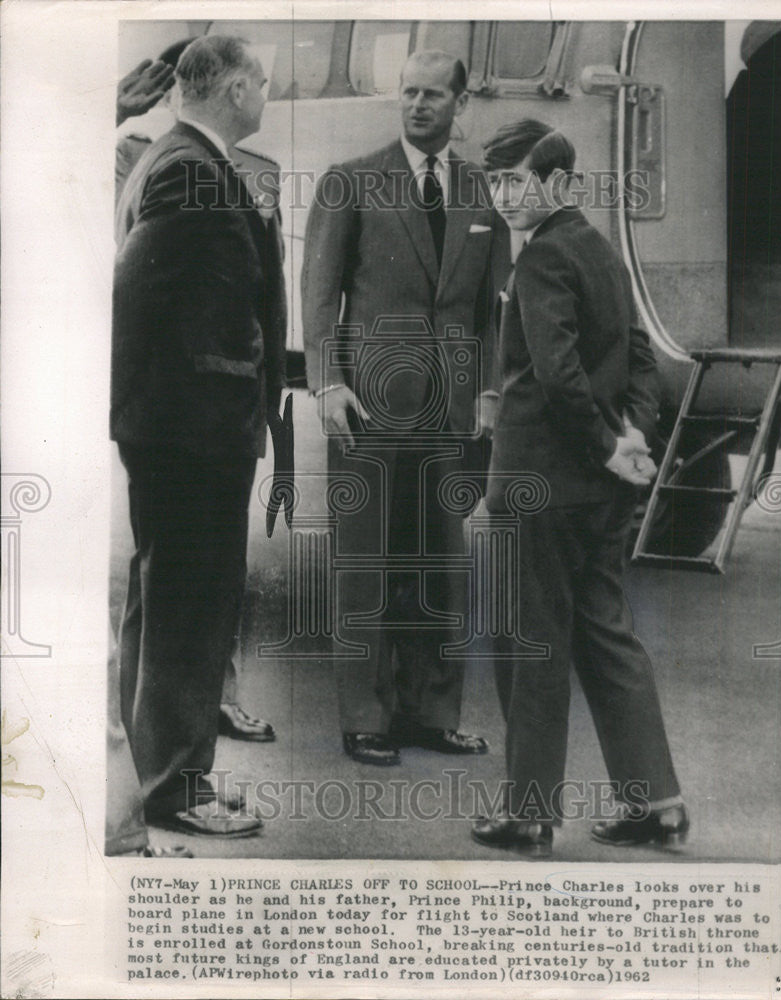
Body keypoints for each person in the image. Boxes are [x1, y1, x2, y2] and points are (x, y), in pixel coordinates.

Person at [471, 119, 688, 858]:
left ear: (561, 184)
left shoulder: (538, 262)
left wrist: (604, 446)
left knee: (528, 643)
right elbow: (640, 363)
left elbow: (558, 378)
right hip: (599, 492)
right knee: (606, 637)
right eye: (494, 181)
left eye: (517, 180)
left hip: (536, 484)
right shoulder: (601, 254)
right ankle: (656, 804)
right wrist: (631, 443)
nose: (503, 196)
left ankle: (528, 817)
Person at [302, 50, 507, 765]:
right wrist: (327, 383)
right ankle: (365, 717)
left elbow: (489, 310)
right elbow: (320, 297)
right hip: (368, 404)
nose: (417, 104)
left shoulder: (482, 191)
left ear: (460, 103)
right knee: (364, 564)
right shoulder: (350, 181)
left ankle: (429, 710)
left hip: (450, 409)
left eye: (432, 94)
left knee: (439, 564)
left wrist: (486, 390)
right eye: (408, 92)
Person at [112, 35, 286, 836]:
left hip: (180, 425)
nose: (264, 93)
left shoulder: (179, 159)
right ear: (229, 89)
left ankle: (161, 776)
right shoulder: (189, 169)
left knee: (163, 606)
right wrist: (147, 414)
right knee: (188, 608)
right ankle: (176, 793)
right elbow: (137, 297)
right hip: (191, 433)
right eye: (257, 81)